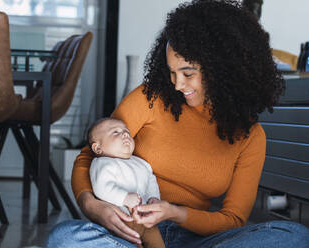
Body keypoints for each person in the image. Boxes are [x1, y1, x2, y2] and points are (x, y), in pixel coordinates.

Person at [48, 0, 309, 247]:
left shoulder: (250, 137)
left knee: (294, 237)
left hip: (196, 239)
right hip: (132, 233)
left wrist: (174, 213)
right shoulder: (150, 98)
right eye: (172, 72)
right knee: (65, 238)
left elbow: (233, 219)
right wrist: (92, 205)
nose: (177, 84)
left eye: (187, 73)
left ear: (221, 69)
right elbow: (88, 156)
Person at [87, 117, 165, 248]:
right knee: (127, 241)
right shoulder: (102, 163)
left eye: (126, 131)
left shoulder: (141, 163)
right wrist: (124, 198)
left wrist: (153, 197)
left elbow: (151, 180)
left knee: (156, 241)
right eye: (115, 132)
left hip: (145, 218)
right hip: (121, 219)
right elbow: (102, 188)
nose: (125, 134)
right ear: (98, 148)